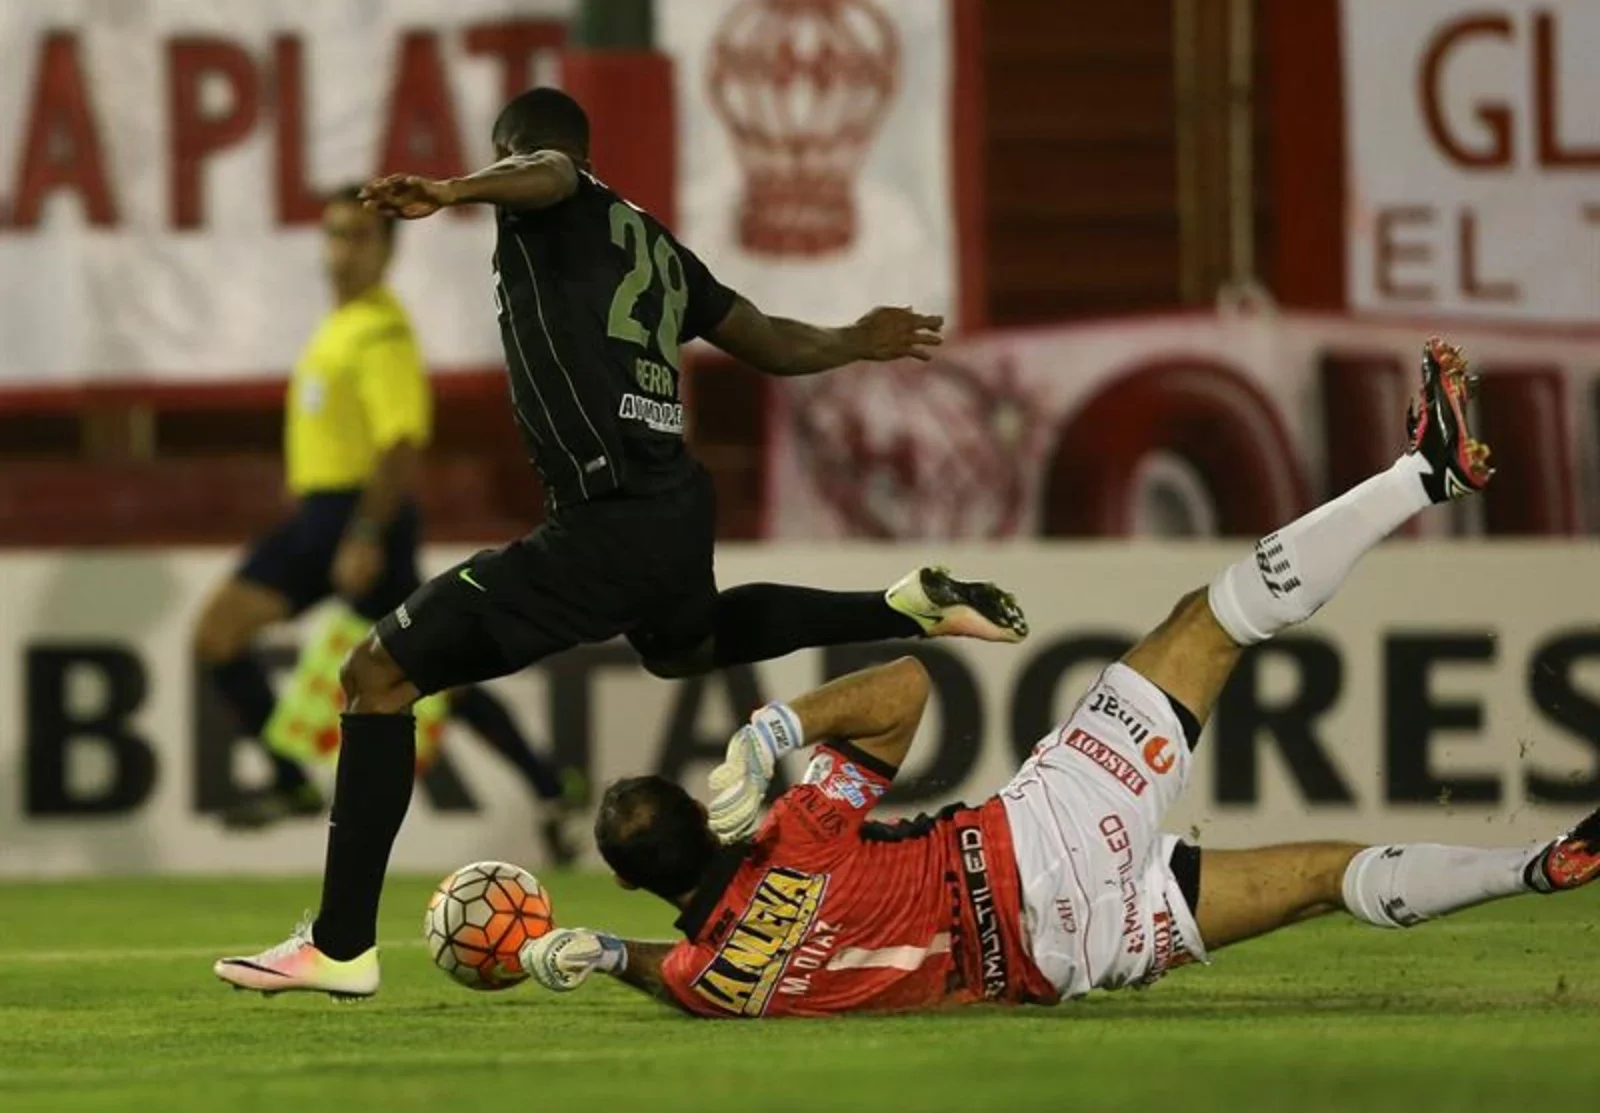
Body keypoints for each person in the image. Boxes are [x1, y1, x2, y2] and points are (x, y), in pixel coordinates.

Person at [214, 88, 1027, 998]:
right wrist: (851, 339)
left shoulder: (551, 194)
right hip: (675, 503)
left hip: (604, 519)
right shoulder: (661, 250)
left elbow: (549, 173)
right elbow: (762, 338)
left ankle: (340, 944)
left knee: (377, 675)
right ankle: (901, 604)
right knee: (689, 645)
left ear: (515, 148)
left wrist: (452, 189)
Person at [516, 340, 1600, 1015]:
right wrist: (772, 730)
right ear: (712, 823)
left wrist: (605, 953)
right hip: (1037, 844)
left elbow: (678, 967)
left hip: (1069, 960)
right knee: (1207, 623)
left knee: (1326, 877)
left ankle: (1540, 867)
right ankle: (1426, 470)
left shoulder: (714, 986)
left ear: (632, 886)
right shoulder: (793, 835)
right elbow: (905, 689)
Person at [191, 185, 583, 861]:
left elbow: (400, 442)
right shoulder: (341, 325)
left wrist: (366, 534)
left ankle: (549, 786)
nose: (342, 251)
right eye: (336, 235)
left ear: (387, 251)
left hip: (354, 517)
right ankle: (550, 785)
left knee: (406, 664)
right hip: (323, 517)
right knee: (423, 668)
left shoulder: (380, 331)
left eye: (359, 237)